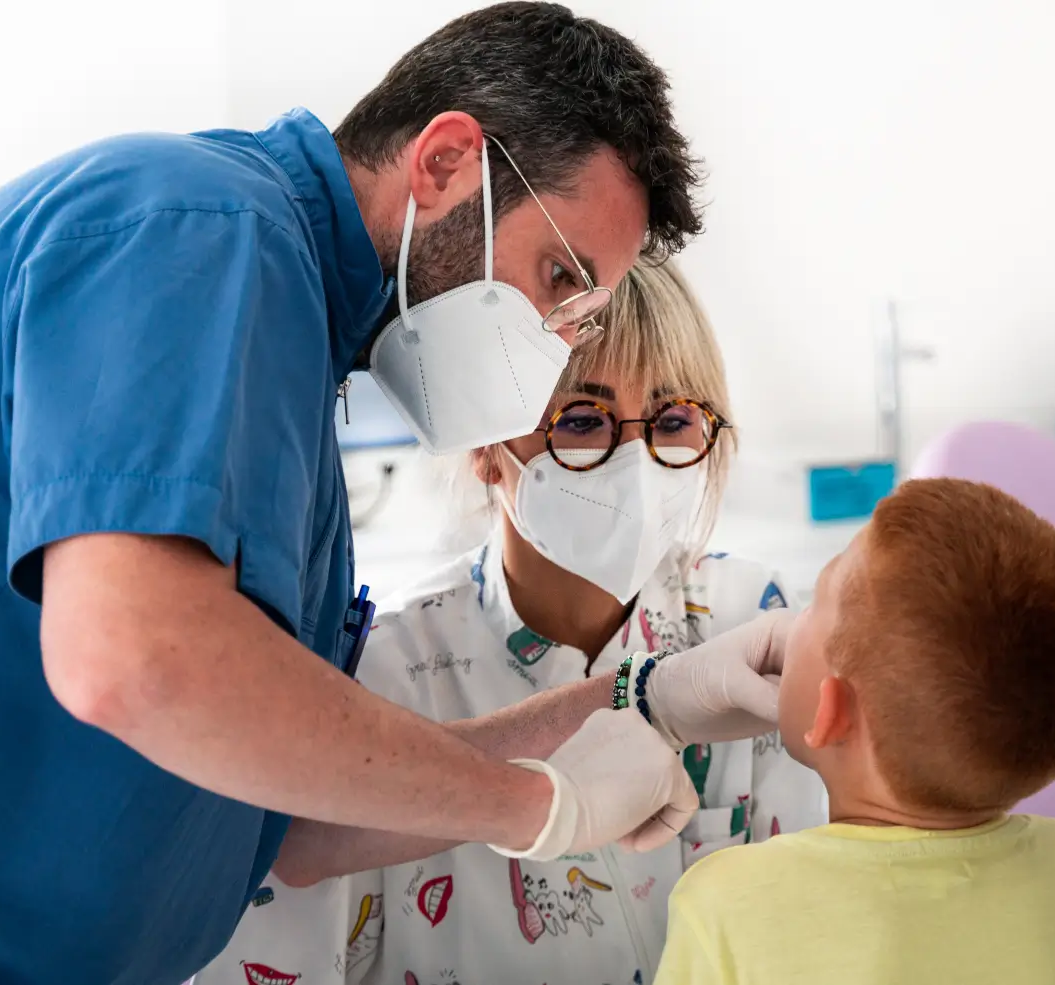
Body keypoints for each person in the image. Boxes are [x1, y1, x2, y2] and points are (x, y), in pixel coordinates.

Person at [0, 5, 792, 983]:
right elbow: (133, 658)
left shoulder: (293, 352)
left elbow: (287, 826)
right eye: (556, 278)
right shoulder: (200, 229)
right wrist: (535, 809)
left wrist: (646, 698)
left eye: (578, 313)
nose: (554, 341)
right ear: (445, 163)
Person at [192, 261, 828, 985]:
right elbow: (279, 914)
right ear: (486, 449)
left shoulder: (749, 618)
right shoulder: (385, 673)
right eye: (583, 422)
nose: (636, 462)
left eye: (673, 419)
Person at [655, 478, 1055, 985]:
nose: (792, 621)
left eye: (816, 603)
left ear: (830, 712)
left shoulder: (728, 905)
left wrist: (634, 694)